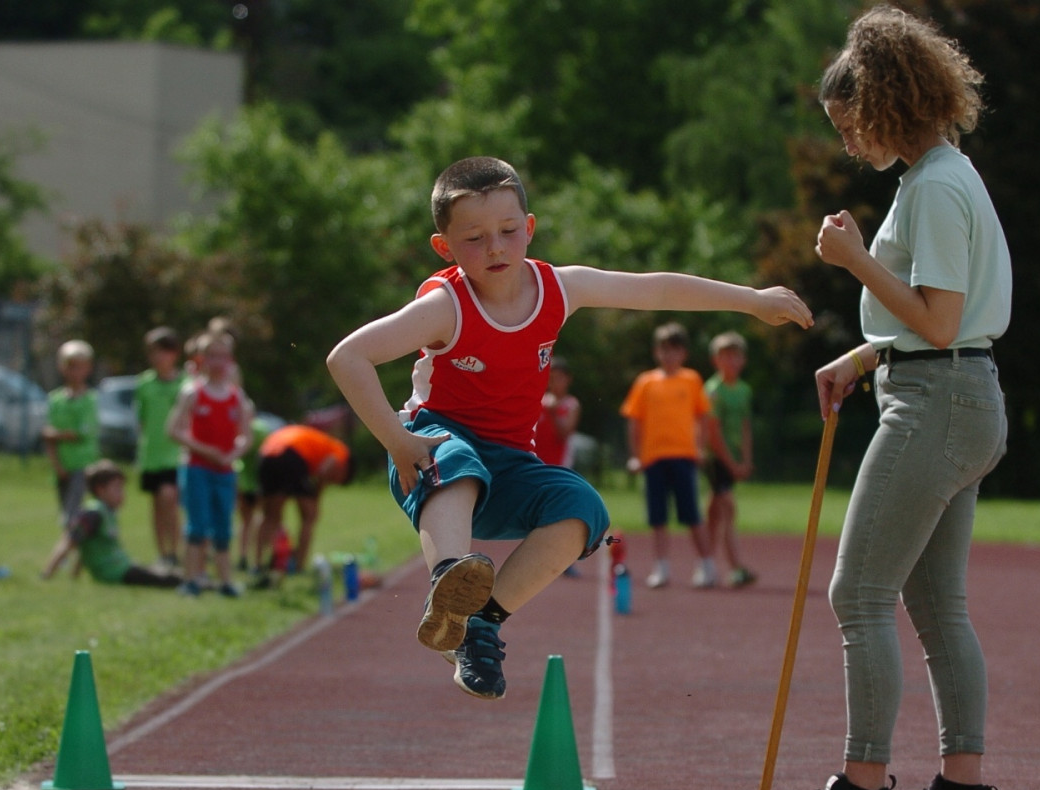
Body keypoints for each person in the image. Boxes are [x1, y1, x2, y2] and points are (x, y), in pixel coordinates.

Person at [326, 156, 812, 700]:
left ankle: (478, 625)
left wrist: (752, 300)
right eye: (475, 239)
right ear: (444, 248)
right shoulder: (446, 307)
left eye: (509, 231)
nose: (495, 249)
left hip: (510, 463)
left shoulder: (560, 288)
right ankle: (449, 582)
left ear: (530, 228)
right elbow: (348, 357)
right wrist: (397, 443)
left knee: (583, 509)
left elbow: (655, 291)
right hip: (432, 449)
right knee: (457, 457)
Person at [760, 6, 1010, 790]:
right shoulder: (942, 174)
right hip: (959, 395)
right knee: (938, 607)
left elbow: (939, 322)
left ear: (885, 104)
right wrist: (866, 356)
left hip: (938, 402)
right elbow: (946, 323)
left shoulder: (933, 186)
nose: (845, 143)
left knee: (858, 593)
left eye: (848, 124)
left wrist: (856, 261)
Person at [620, 322, 730, 589]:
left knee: (692, 514)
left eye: (675, 349)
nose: (669, 355)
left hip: (684, 457)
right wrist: (635, 456)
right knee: (657, 517)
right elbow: (634, 421)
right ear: (656, 352)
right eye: (664, 349)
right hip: (653, 458)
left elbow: (702, 416)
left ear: (684, 353)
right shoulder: (645, 382)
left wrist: (700, 448)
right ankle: (661, 568)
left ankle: (707, 565)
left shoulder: (691, 380)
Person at [168, 330, 254, 597]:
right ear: (201, 359)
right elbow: (174, 429)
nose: (218, 362)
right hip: (197, 468)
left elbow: (246, 436)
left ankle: (225, 581)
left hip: (224, 471)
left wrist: (232, 455)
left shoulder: (236, 396)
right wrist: (205, 450)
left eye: (223, 356)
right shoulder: (192, 392)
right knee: (197, 524)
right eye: (212, 356)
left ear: (230, 360)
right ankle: (191, 579)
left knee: (223, 526)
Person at [41, 460, 185, 588]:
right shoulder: (93, 513)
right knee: (167, 579)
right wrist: (46, 573)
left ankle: (187, 576)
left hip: (122, 568)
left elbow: (85, 546)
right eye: (117, 488)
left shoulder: (106, 512)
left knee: (157, 572)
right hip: (115, 573)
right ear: (100, 489)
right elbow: (68, 542)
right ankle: (189, 579)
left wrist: (75, 575)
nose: (122, 494)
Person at [254, 423, 353, 580]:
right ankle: (299, 565)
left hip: (267, 452)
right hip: (291, 454)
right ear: (346, 469)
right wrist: (317, 496)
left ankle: (259, 564)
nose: (334, 481)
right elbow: (325, 470)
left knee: (270, 516)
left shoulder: (324, 444)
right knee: (309, 516)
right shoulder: (341, 452)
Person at [704, 331, 758, 587]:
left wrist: (746, 459)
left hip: (733, 457)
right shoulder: (713, 390)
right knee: (728, 508)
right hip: (716, 458)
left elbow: (745, 426)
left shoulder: (744, 390)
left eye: (736, 356)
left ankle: (706, 562)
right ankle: (736, 567)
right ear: (716, 360)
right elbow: (713, 432)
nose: (731, 362)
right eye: (725, 356)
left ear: (743, 360)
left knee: (715, 511)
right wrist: (732, 464)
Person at [132, 326, 185, 570]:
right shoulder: (144, 383)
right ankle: (162, 554)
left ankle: (175, 551)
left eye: (163, 351)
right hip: (151, 454)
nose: (158, 357)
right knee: (157, 506)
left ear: (174, 353)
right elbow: (142, 420)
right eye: (153, 352)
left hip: (176, 454)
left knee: (169, 499)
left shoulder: (185, 383)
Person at [43, 339, 100, 526]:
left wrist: (55, 434)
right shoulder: (55, 399)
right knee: (66, 512)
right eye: (71, 366)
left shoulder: (89, 399)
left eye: (80, 367)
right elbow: (48, 436)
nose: (75, 372)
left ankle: (70, 544)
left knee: (72, 516)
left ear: (88, 368)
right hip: (62, 464)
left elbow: (80, 433)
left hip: (83, 465)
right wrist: (56, 464)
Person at [235, 411, 272, 573]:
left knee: (245, 521)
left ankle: (244, 556)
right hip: (258, 481)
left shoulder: (241, 428)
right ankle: (256, 558)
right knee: (259, 518)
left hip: (245, 480)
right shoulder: (262, 428)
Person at [533, 355, 580, 468]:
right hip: (537, 460)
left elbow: (564, 434)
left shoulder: (571, 404)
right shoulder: (540, 400)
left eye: (559, 378)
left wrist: (553, 413)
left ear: (568, 379)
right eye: (551, 378)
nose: (555, 383)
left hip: (560, 463)